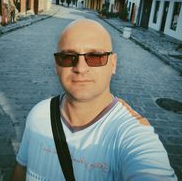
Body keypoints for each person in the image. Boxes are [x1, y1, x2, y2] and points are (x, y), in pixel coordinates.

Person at [11, 19, 177, 181]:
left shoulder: (132, 135)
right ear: (56, 65)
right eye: (68, 57)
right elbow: (21, 169)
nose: (80, 68)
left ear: (113, 64)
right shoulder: (38, 115)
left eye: (95, 57)